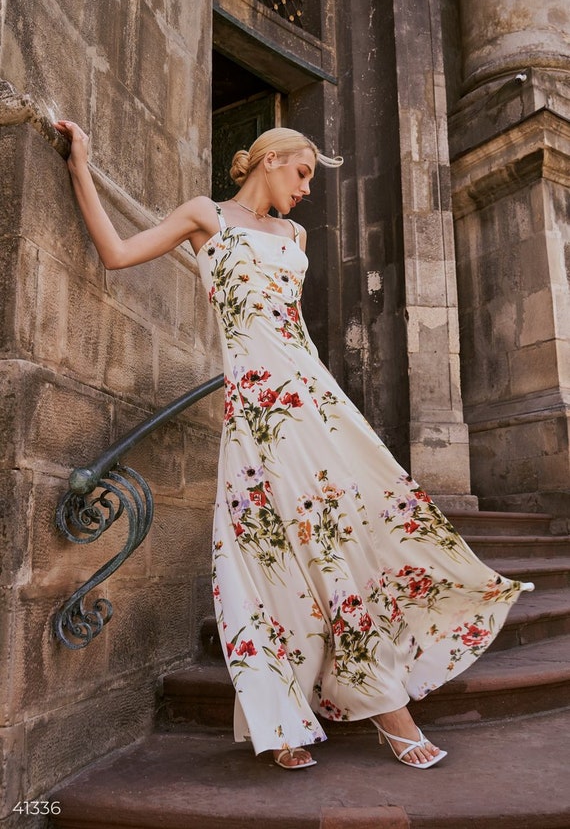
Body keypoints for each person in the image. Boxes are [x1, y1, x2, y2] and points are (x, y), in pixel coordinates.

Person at [54, 120, 534, 771]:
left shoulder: (296, 236)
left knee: (336, 542)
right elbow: (115, 251)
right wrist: (81, 162)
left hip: (305, 403)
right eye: (303, 172)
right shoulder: (205, 215)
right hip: (251, 413)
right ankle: (278, 718)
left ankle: (391, 711)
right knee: (263, 561)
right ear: (272, 158)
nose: (308, 188)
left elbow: (291, 335)